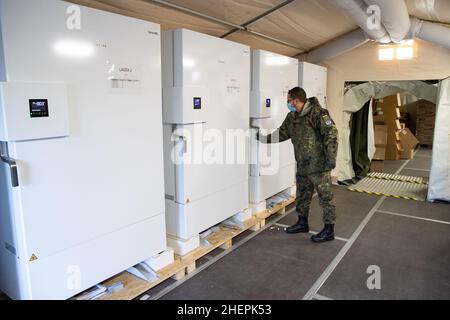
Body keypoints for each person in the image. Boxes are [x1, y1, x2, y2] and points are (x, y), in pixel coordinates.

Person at [257, 87, 338, 243]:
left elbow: (331, 135)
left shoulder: (319, 114)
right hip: (302, 165)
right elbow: (282, 133)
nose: (287, 103)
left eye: (289, 100)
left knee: (325, 198)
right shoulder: (292, 116)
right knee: (302, 195)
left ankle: (329, 230)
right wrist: (263, 138)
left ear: (295, 100)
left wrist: (331, 158)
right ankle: (302, 223)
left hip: (319, 165)